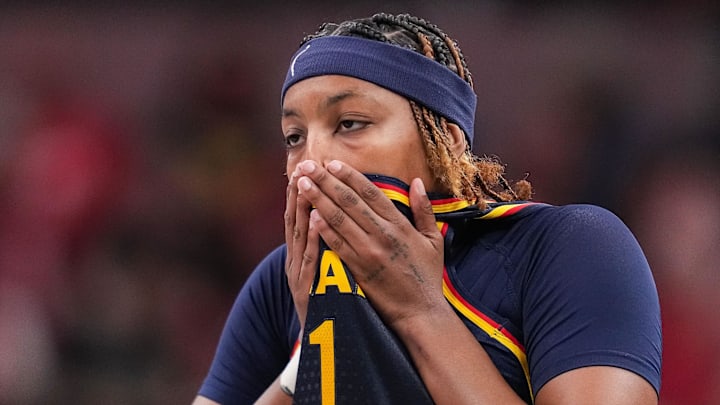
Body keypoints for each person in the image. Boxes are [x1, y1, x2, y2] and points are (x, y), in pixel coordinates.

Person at [193, 12, 661, 405]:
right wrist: (320, 347)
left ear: (447, 140)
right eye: (294, 137)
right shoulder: (281, 284)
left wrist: (420, 313)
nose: (308, 164)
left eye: (350, 123)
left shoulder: (567, 247)